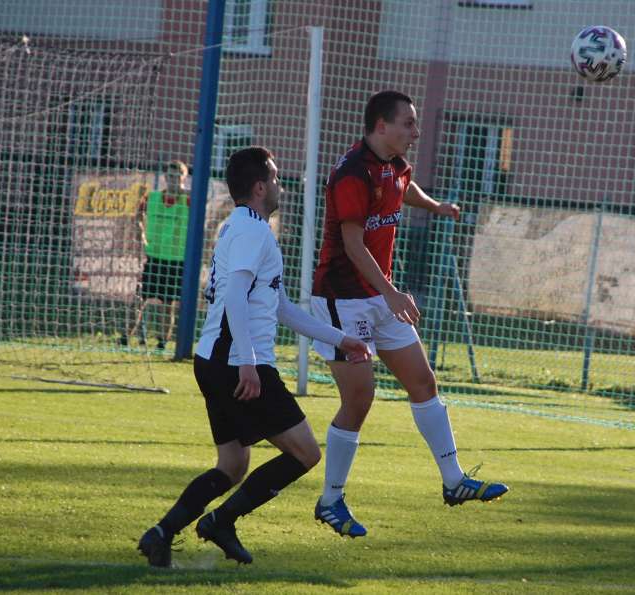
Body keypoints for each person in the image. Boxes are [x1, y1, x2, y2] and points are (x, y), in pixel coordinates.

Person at [137, 147, 371, 567]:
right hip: (238, 362)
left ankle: (162, 532)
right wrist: (247, 361)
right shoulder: (253, 232)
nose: (281, 185)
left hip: (213, 359)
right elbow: (233, 296)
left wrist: (341, 339)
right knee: (305, 453)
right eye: (277, 178)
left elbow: (280, 306)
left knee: (232, 464)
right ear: (261, 186)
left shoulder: (242, 228)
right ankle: (221, 522)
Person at [310, 90, 509, 538]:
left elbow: (404, 188)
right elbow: (354, 247)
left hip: (380, 296)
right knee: (359, 400)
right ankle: (330, 500)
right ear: (381, 126)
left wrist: (435, 206)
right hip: (344, 300)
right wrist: (394, 293)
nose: (416, 132)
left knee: (423, 383)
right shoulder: (351, 174)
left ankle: (455, 482)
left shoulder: (394, 165)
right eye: (408, 124)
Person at [121, 160, 190, 351]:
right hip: (154, 257)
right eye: (169, 176)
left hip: (177, 260)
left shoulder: (190, 199)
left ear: (184, 177)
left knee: (168, 304)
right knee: (139, 298)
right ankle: (125, 337)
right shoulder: (152, 197)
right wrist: (140, 233)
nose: (173, 179)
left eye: (177, 176)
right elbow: (138, 215)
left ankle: (162, 343)